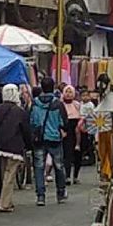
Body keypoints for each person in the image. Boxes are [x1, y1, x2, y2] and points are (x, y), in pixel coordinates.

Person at [0, 84, 32, 213]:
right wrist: (29, 146)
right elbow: (26, 131)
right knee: (10, 175)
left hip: (1, 146)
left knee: (4, 174)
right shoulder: (20, 111)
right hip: (15, 147)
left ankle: (6, 200)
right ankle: (4, 203)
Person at [31, 77, 69, 206]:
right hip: (54, 138)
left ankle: (40, 196)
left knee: (39, 167)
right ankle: (60, 193)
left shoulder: (35, 103)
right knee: (59, 166)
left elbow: (32, 121)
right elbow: (64, 122)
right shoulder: (57, 103)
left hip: (39, 139)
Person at [60, 85, 84, 184]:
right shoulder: (60, 104)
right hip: (66, 129)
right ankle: (68, 175)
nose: (68, 94)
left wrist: (80, 123)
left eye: (70, 92)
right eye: (67, 92)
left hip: (77, 128)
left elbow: (82, 115)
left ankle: (76, 176)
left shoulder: (77, 104)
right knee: (67, 153)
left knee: (78, 154)